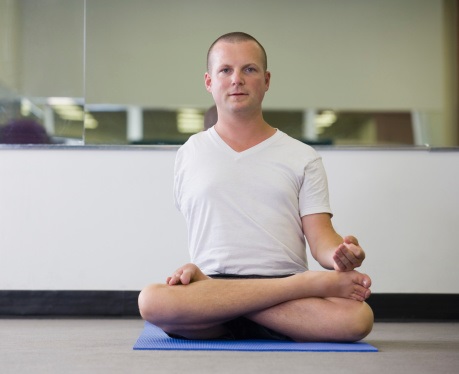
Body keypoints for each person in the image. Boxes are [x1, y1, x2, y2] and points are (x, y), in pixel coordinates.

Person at [138, 32, 373, 342]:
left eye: (249, 69)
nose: (237, 79)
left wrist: (340, 254)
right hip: (232, 286)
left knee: (358, 319)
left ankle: (236, 299)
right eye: (226, 70)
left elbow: (321, 240)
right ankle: (304, 286)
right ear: (209, 81)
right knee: (152, 300)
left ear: (266, 80)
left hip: (241, 296)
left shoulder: (302, 156)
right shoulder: (190, 153)